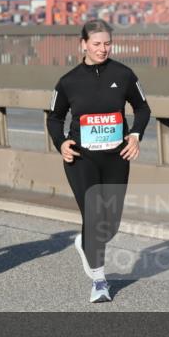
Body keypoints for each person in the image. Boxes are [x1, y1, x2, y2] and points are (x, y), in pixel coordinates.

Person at [47, 19, 150, 303]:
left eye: (107, 44)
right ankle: (99, 280)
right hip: (82, 157)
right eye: (96, 44)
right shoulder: (68, 81)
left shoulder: (124, 74)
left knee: (110, 223)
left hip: (116, 156)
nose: (102, 49)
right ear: (83, 45)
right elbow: (55, 117)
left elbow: (142, 108)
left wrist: (135, 135)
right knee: (94, 217)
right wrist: (61, 143)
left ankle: (84, 243)